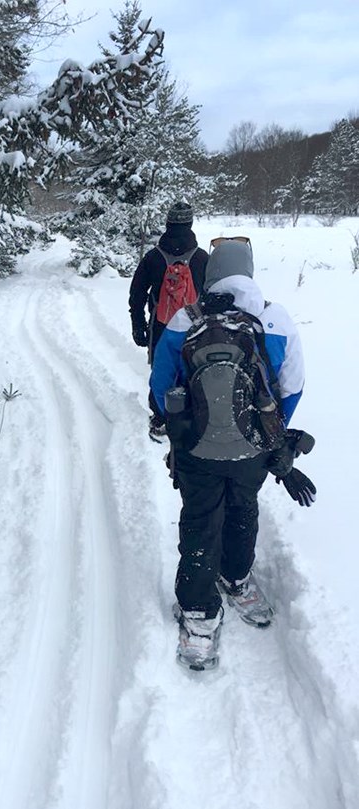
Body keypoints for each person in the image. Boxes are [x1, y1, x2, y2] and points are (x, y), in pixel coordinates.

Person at [149, 238, 306, 670]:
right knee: (243, 510)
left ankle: (198, 613)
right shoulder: (276, 319)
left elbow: (161, 386)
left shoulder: (186, 318)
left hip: (196, 450)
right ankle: (236, 579)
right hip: (254, 449)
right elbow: (292, 386)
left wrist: (187, 429)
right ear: (249, 272)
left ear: (211, 273)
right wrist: (268, 432)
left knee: (201, 519)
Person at [129, 202, 209, 440]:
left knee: (162, 370)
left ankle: (161, 418)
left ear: (168, 223)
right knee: (194, 368)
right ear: (190, 223)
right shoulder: (202, 258)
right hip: (196, 325)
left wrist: (138, 324)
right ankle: (194, 416)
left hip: (161, 323)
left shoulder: (153, 257)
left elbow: (138, 293)